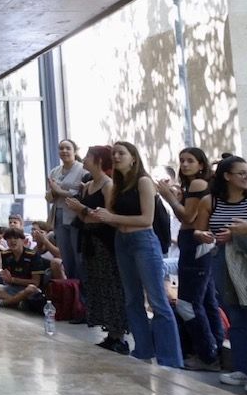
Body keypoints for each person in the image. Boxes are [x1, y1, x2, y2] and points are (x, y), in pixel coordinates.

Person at [84, 142, 182, 368]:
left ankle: (170, 359)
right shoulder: (117, 184)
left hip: (142, 241)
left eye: (121, 153)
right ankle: (142, 350)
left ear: (134, 158)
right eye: (114, 154)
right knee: (132, 300)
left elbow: (146, 220)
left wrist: (111, 218)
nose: (116, 157)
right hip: (122, 241)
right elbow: (110, 214)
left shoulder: (143, 181)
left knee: (157, 300)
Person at [195, 155, 247, 391]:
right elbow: (199, 230)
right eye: (241, 173)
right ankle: (246, 368)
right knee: (236, 317)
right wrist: (204, 235)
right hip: (222, 262)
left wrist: (241, 233)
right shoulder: (210, 201)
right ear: (227, 176)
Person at [160, 147, 222, 371]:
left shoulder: (198, 184)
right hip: (195, 244)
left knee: (188, 304)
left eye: (190, 161)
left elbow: (187, 217)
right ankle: (213, 350)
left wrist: (168, 198)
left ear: (201, 165)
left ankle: (206, 355)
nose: (184, 165)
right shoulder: (194, 186)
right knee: (206, 301)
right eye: (182, 160)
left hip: (195, 243)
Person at [64, 146, 129, 354]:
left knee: (111, 285)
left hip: (104, 241)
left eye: (89, 156)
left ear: (99, 160)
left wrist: (81, 209)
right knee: (96, 285)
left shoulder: (107, 185)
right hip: (89, 237)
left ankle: (119, 334)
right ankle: (110, 332)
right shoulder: (89, 185)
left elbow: (108, 215)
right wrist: (82, 211)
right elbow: (84, 217)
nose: (85, 159)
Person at [46, 139, 87, 281]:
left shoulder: (83, 170)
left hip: (76, 217)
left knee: (78, 255)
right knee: (66, 255)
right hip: (59, 215)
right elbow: (48, 197)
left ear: (74, 151)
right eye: (61, 148)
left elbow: (83, 194)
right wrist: (54, 192)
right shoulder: (54, 171)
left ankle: (83, 292)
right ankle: (72, 288)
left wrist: (60, 191)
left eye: (67, 148)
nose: (64, 151)